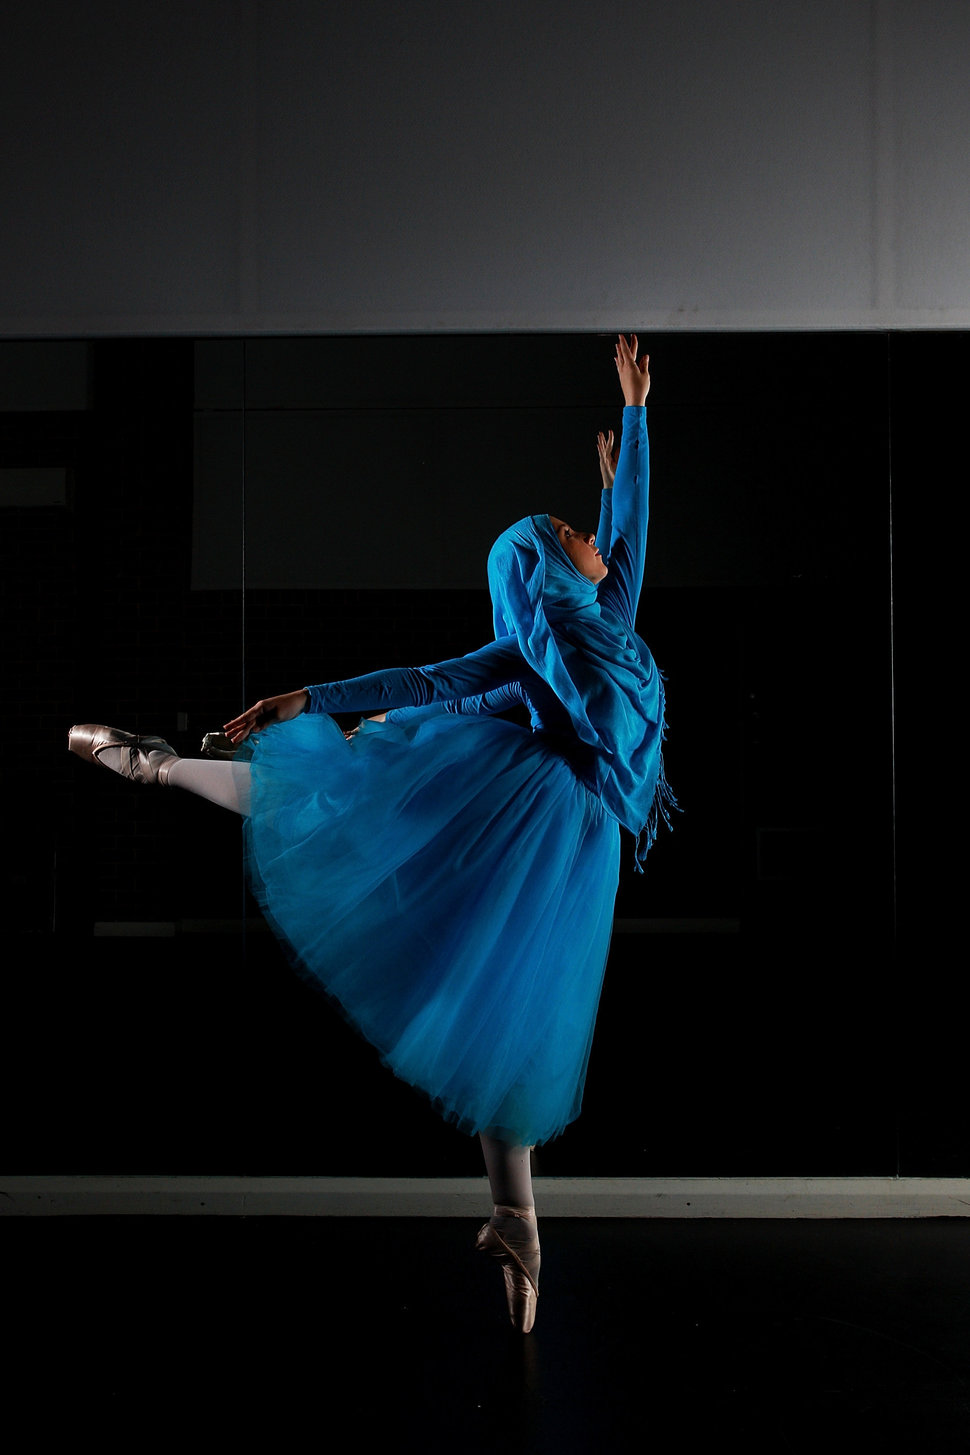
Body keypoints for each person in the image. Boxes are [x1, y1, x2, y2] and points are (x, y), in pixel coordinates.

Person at [69, 335, 674, 1334]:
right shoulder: (526, 653)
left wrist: (635, 428)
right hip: (519, 806)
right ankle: (159, 764)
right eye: (570, 528)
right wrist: (306, 695)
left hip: (570, 841)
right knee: (341, 803)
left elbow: (632, 536)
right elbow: (422, 681)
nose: (591, 533)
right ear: (545, 568)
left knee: (511, 1016)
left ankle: (514, 1221)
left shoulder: (606, 622)